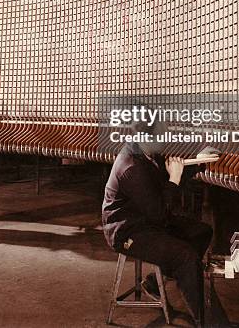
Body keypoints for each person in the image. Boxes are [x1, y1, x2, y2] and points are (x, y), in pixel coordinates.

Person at [102, 118, 213, 328]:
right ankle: (205, 321)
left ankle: (154, 281)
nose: (165, 139)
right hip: (127, 232)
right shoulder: (131, 167)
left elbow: (166, 177)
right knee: (185, 255)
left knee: (201, 232)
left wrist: (198, 162)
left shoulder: (146, 153)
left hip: (146, 220)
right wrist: (174, 180)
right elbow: (160, 213)